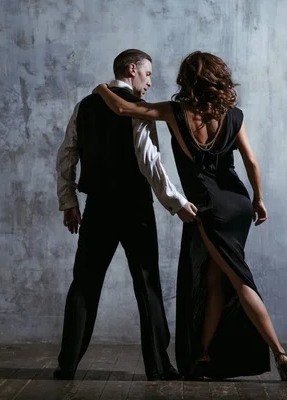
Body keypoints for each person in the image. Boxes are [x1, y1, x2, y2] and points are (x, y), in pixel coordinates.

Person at [92, 51, 287, 381]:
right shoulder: (234, 115)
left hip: (209, 208)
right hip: (238, 204)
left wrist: (102, 88)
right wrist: (259, 200)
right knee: (214, 279)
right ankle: (203, 354)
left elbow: (123, 108)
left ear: (187, 81)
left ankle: (281, 354)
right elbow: (252, 163)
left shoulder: (175, 112)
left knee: (238, 278)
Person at [54, 49, 198, 381]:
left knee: (84, 284)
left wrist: (69, 202)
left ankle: (67, 365)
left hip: (98, 207)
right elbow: (149, 161)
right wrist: (177, 203)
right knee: (147, 285)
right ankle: (158, 367)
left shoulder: (85, 105)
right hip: (135, 206)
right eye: (147, 74)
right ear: (132, 69)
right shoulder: (139, 109)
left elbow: (66, 155)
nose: (149, 82)